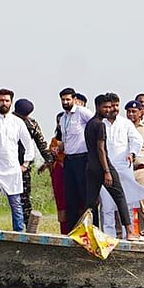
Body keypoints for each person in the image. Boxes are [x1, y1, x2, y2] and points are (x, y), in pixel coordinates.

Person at [0, 88, 36, 231]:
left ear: (11, 103)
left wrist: (25, 164)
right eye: (2, 100)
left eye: (7, 101)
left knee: (16, 204)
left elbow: (29, 144)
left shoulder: (18, 122)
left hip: (12, 169)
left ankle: (19, 233)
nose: (4, 103)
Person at [85, 93, 134, 239]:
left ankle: (89, 232)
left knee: (91, 203)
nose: (108, 110)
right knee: (119, 196)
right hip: (102, 166)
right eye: (105, 107)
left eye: (110, 107)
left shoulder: (90, 123)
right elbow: (100, 149)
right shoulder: (100, 125)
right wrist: (107, 171)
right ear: (97, 107)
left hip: (91, 167)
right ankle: (130, 232)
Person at [98, 95, 144, 238]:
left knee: (128, 204)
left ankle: (128, 236)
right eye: (111, 106)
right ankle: (109, 237)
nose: (114, 108)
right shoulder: (100, 124)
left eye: (116, 105)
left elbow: (136, 140)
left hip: (124, 167)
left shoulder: (126, 124)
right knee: (107, 206)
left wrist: (132, 153)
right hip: (106, 167)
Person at [14, 98, 56, 233]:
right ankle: (29, 228)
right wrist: (49, 160)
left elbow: (42, 145)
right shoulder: (31, 123)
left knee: (23, 199)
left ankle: (28, 228)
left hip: (18, 165)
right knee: (24, 199)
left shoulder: (11, 120)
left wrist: (48, 161)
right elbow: (42, 145)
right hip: (14, 165)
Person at [55, 87, 92, 230]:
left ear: (74, 99)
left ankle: (89, 228)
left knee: (84, 196)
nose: (65, 102)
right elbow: (65, 139)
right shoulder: (63, 118)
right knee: (70, 195)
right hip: (68, 159)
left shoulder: (82, 113)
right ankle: (72, 229)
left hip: (82, 158)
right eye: (63, 100)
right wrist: (59, 148)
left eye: (68, 99)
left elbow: (97, 125)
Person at [126, 99, 144, 238]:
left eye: (134, 111)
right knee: (128, 203)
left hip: (142, 169)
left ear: (140, 112)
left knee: (143, 204)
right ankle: (129, 233)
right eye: (129, 111)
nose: (131, 114)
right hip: (126, 170)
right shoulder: (123, 127)